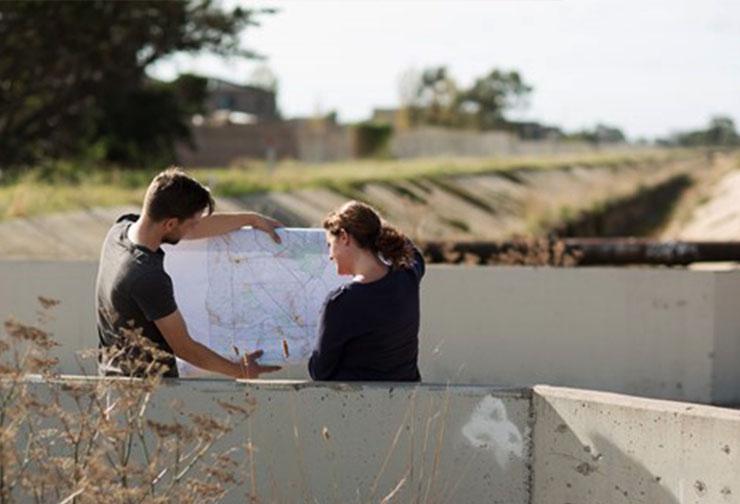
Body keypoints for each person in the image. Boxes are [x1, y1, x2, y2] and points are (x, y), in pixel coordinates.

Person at [95, 167, 282, 379]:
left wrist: (251, 219)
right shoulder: (147, 276)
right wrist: (240, 370)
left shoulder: (120, 230)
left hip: (112, 382)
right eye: (190, 223)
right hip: (147, 395)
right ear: (171, 223)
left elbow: (195, 228)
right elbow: (184, 348)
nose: (193, 229)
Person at [308, 201, 424, 381]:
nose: (330, 255)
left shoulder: (340, 303)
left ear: (344, 237)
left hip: (357, 406)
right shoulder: (407, 277)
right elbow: (413, 252)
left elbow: (319, 372)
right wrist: (374, 226)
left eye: (329, 244)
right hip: (408, 404)